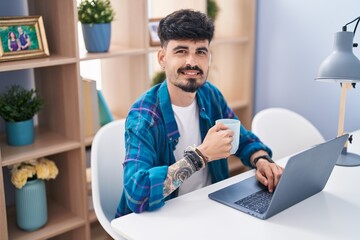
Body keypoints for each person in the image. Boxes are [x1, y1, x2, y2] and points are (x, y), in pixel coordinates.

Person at [115, 9, 283, 218]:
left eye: (200, 52)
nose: (192, 62)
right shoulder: (144, 116)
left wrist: (263, 161)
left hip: (210, 207)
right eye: (181, 51)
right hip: (163, 217)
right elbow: (136, 194)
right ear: (162, 58)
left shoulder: (210, 95)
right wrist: (200, 156)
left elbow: (243, 139)